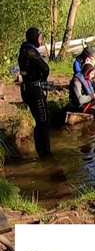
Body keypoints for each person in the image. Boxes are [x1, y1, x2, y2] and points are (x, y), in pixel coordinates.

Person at [18, 27, 52, 157]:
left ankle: (41, 151)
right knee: (44, 120)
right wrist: (43, 79)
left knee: (39, 120)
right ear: (34, 37)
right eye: (40, 37)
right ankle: (46, 152)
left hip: (27, 89)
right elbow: (45, 68)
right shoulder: (29, 51)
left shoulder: (23, 49)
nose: (41, 40)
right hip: (34, 90)